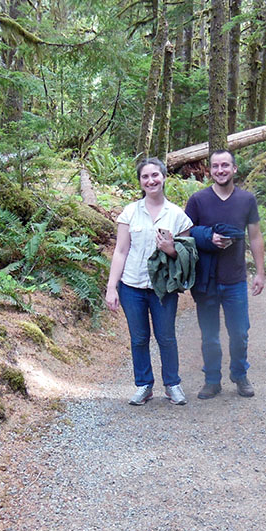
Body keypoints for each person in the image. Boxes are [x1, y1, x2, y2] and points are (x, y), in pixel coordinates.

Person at [105, 158, 193, 406]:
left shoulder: (177, 215)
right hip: (131, 285)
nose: (151, 180)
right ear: (140, 182)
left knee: (166, 337)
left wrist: (171, 249)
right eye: (145, 177)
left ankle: (172, 384)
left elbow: (186, 256)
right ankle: (144, 385)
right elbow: (120, 251)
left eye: (155, 175)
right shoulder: (130, 212)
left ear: (164, 177)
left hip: (163, 288)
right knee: (139, 338)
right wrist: (112, 287)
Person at [185, 149, 265, 399]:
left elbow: (255, 236)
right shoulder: (197, 200)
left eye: (225, 166)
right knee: (209, 335)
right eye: (215, 166)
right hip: (205, 280)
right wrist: (209, 237)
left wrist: (260, 272)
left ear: (234, 169)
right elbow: (185, 235)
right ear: (209, 170)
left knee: (240, 332)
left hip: (235, 280)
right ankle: (212, 380)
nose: (220, 170)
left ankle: (240, 375)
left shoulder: (246, 200)